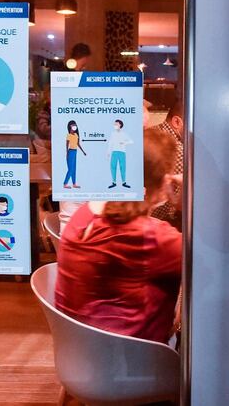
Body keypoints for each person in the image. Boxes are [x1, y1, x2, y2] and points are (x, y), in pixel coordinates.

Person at [54, 128, 181, 343]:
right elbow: (214, 262)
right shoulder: (152, 238)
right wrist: (185, 199)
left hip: (80, 353)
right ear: (164, 182)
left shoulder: (84, 215)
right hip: (135, 358)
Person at [108, 119, 133, 189]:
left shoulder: (124, 134)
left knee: (123, 167)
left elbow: (131, 141)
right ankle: (114, 182)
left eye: (116, 124)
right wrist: (108, 152)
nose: (115, 125)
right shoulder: (113, 134)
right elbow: (110, 143)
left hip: (122, 152)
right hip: (114, 151)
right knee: (113, 167)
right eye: (114, 124)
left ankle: (124, 182)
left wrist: (124, 143)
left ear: (120, 125)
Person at [63, 120, 86, 189]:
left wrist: (83, 151)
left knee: (74, 168)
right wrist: (67, 153)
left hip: (75, 152)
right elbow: (67, 144)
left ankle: (74, 183)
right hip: (70, 152)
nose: (74, 126)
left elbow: (78, 144)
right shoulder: (68, 135)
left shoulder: (76, 135)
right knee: (70, 169)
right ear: (70, 126)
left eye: (75, 125)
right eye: (73, 125)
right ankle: (65, 183)